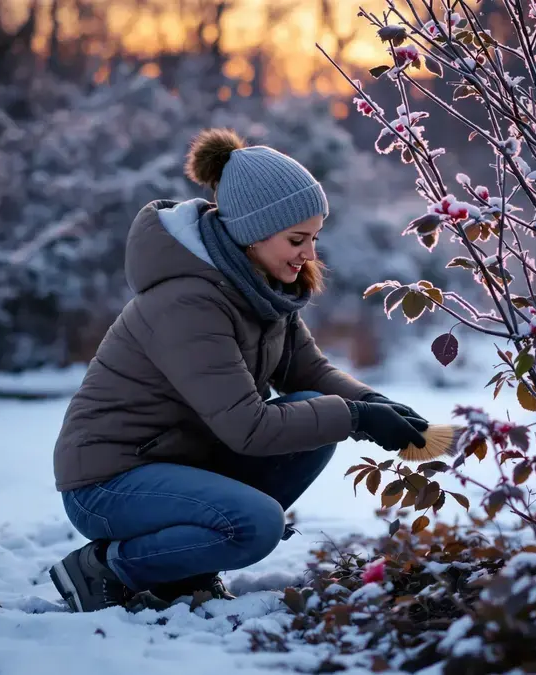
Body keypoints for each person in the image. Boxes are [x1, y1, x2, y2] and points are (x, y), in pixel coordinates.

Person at [48, 128, 428, 613]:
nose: (309, 254)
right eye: (297, 239)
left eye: (313, 238)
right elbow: (247, 428)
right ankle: (105, 567)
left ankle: (180, 573)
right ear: (252, 232)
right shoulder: (188, 302)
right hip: (109, 483)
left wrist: (374, 405)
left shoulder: (260, 290)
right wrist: (354, 418)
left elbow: (307, 372)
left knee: (313, 415)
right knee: (255, 525)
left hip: (178, 466)